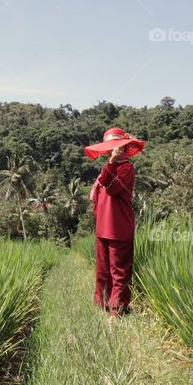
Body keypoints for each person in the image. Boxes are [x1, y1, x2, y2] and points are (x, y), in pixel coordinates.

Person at [85, 127, 145, 317]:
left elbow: (112, 189)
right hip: (103, 227)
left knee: (119, 271)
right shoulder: (109, 167)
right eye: (110, 148)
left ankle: (117, 311)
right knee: (103, 271)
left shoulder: (126, 167)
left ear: (122, 148)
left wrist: (111, 163)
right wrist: (109, 165)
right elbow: (95, 194)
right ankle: (103, 305)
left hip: (119, 227)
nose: (112, 151)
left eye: (115, 147)